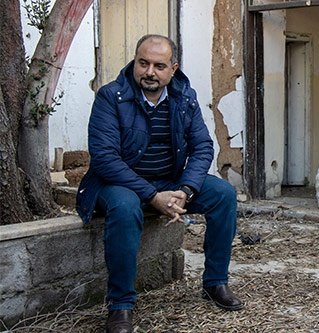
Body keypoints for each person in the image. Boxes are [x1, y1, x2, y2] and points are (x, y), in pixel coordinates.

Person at [76, 34, 243, 333]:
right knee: (126, 208)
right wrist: (153, 196)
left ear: (173, 69)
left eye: (158, 65)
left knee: (223, 194)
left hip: (170, 182)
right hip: (117, 184)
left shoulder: (185, 98)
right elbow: (104, 158)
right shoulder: (110, 96)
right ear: (135, 62)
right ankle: (120, 306)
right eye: (143, 63)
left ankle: (215, 282)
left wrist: (185, 190)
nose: (149, 72)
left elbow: (203, 147)